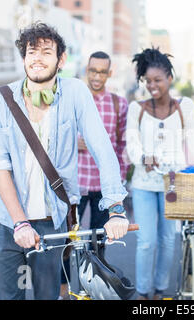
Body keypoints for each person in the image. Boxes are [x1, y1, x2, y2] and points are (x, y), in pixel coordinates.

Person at [0, 22, 129, 300]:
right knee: (9, 297)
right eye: (31, 51)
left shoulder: (75, 92)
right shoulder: (0, 99)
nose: (37, 58)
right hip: (7, 222)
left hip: (52, 223)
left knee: (47, 296)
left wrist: (115, 207)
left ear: (61, 59)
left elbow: (102, 148)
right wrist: (20, 223)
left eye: (46, 52)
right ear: (24, 57)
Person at [126, 47, 194, 300]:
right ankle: (142, 292)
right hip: (144, 184)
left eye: (158, 80)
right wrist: (143, 157)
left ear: (170, 78)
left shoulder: (186, 107)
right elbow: (131, 144)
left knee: (168, 241)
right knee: (146, 241)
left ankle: (160, 290)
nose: (152, 85)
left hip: (174, 184)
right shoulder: (135, 109)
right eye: (147, 81)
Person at [77, 51, 129, 229]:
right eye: (93, 71)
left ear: (110, 74)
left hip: (104, 185)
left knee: (99, 242)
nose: (97, 76)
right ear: (86, 70)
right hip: (76, 183)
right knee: (68, 242)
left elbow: (123, 144)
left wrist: (120, 178)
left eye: (102, 72)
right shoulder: (75, 100)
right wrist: (73, 144)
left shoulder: (119, 104)